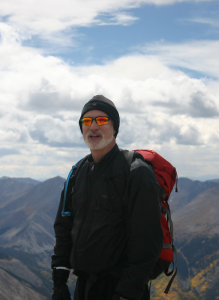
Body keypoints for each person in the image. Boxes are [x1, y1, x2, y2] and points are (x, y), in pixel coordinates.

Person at [51, 95, 164, 300]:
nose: (93, 126)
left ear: (114, 128)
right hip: (84, 287)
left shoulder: (136, 173)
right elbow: (64, 227)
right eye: (86, 121)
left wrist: (127, 293)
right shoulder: (78, 173)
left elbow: (147, 243)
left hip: (120, 289)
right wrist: (59, 281)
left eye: (101, 120)